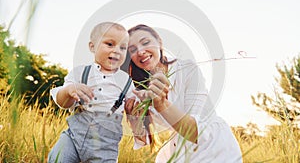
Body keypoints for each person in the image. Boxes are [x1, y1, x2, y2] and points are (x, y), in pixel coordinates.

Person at [125, 24, 243, 163]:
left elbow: (195, 132)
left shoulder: (187, 70)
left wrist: (161, 104)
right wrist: (134, 119)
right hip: (179, 151)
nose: (140, 51)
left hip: (214, 147)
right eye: (132, 50)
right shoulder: (139, 90)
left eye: (145, 43)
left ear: (159, 42)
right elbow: (143, 139)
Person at [48, 22, 136, 163]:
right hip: (74, 137)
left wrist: (137, 107)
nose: (117, 51)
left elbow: (134, 108)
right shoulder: (81, 72)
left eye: (123, 47)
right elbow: (62, 103)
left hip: (105, 146)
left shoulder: (126, 81)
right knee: (58, 158)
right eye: (110, 44)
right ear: (92, 46)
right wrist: (69, 91)